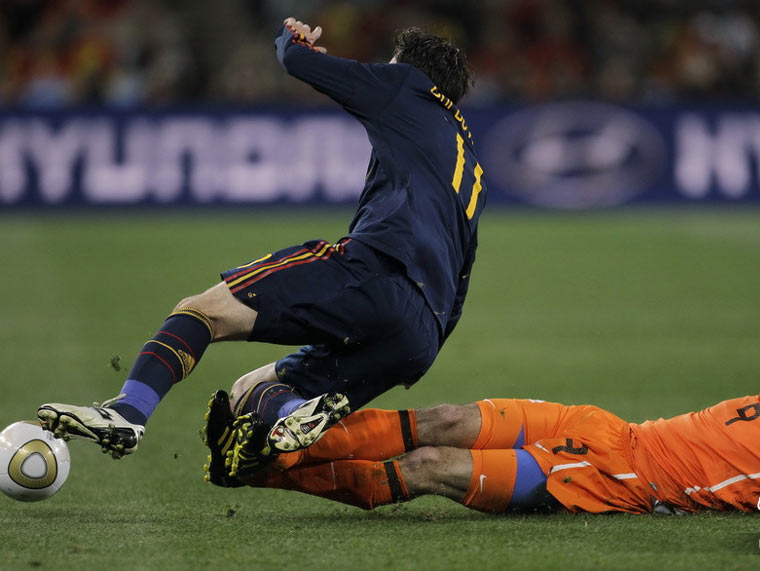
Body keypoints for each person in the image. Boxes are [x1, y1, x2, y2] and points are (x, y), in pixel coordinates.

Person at [37, 18, 485, 464]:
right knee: (250, 391)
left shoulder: (406, 87)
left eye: (388, 65)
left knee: (202, 311)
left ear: (406, 68)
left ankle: (127, 413)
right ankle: (293, 414)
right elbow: (461, 282)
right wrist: (420, 348)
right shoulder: (470, 168)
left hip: (377, 274)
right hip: (421, 335)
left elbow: (296, 61)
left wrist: (294, 37)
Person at [205, 326, 760, 517]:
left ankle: (262, 472)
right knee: (442, 417)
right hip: (606, 426)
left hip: (611, 476)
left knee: (426, 469)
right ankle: (268, 444)